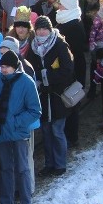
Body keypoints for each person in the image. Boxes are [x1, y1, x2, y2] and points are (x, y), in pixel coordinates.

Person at [0, 50, 41, 204]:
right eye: (1, 66)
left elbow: (35, 110)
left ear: (15, 67)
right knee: (6, 169)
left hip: (18, 134)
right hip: (1, 132)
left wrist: (16, 123)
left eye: (6, 67)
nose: (3, 69)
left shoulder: (26, 82)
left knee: (22, 170)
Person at [26, 16, 75, 177]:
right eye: (38, 29)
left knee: (57, 130)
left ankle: (60, 164)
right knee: (46, 131)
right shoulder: (32, 48)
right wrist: (39, 80)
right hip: (42, 95)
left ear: (50, 29)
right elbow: (29, 68)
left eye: (44, 29)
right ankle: (49, 163)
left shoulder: (60, 45)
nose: (41, 32)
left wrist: (49, 77)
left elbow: (68, 69)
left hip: (57, 95)